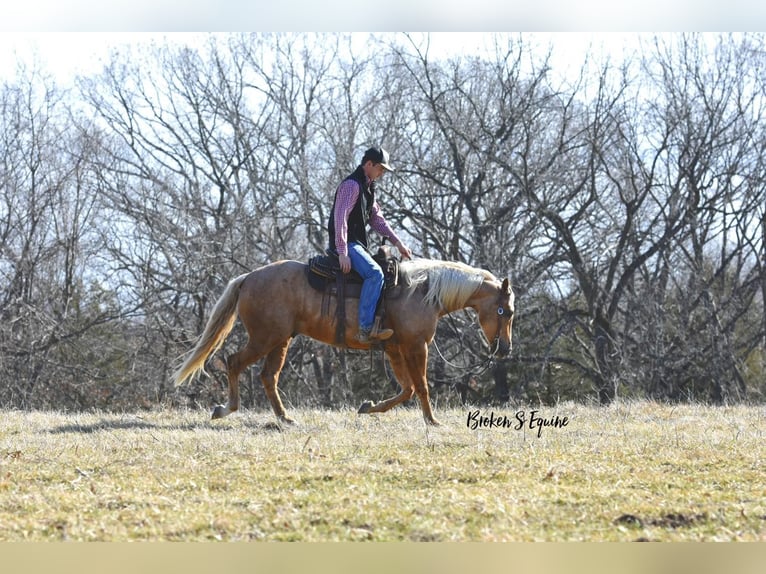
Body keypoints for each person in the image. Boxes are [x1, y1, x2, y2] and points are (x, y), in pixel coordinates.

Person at [328, 146, 413, 343]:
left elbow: (378, 221)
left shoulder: (368, 188)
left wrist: (398, 242)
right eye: (380, 168)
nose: (382, 172)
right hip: (347, 244)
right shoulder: (352, 185)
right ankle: (365, 328)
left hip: (355, 245)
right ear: (368, 164)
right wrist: (342, 251)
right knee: (375, 273)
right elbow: (340, 219)